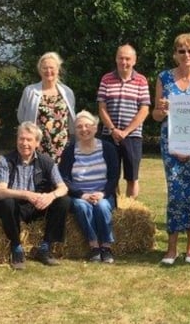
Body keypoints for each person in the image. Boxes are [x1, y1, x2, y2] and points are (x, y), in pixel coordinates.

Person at [152, 33, 190, 265]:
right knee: (175, 193)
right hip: (171, 144)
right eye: (181, 51)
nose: (186, 55)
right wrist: (163, 110)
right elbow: (156, 115)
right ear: (175, 54)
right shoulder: (164, 78)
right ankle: (171, 248)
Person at [0, 121, 71, 269]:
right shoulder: (5, 160)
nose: (24, 143)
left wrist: (50, 196)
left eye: (29, 140)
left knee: (63, 201)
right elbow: (0, 192)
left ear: (37, 143)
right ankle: (16, 247)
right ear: (16, 140)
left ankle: (45, 247)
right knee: (7, 202)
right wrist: (26, 194)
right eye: (21, 139)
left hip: (37, 206)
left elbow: (63, 187)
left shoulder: (46, 161)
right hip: (14, 208)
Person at [59, 110, 119, 263]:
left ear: (95, 128)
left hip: (103, 194)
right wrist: (82, 195)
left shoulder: (108, 148)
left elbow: (114, 177)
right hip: (79, 195)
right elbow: (64, 179)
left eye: (87, 126)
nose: (84, 129)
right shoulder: (69, 151)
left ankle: (106, 247)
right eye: (79, 127)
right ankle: (94, 246)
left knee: (102, 206)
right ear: (75, 130)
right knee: (81, 206)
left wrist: (102, 194)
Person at [97, 44, 151, 199]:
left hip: (133, 136)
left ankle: (129, 211)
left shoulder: (141, 80)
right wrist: (113, 130)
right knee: (111, 176)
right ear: (116, 59)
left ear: (134, 61)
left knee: (132, 177)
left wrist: (126, 132)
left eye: (128, 58)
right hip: (109, 135)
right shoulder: (106, 79)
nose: (124, 62)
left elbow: (144, 110)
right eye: (121, 58)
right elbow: (102, 108)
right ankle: (115, 210)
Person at [17, 52, 76, 162]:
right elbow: (21, 116)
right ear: (40, 70)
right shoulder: (30, 91)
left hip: (62, 146)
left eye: (51, 68)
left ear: (58, 69)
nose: (48, 71)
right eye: (45, 68)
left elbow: (70, 118)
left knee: (60, 178)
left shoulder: (68, 92)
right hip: (38, 145)